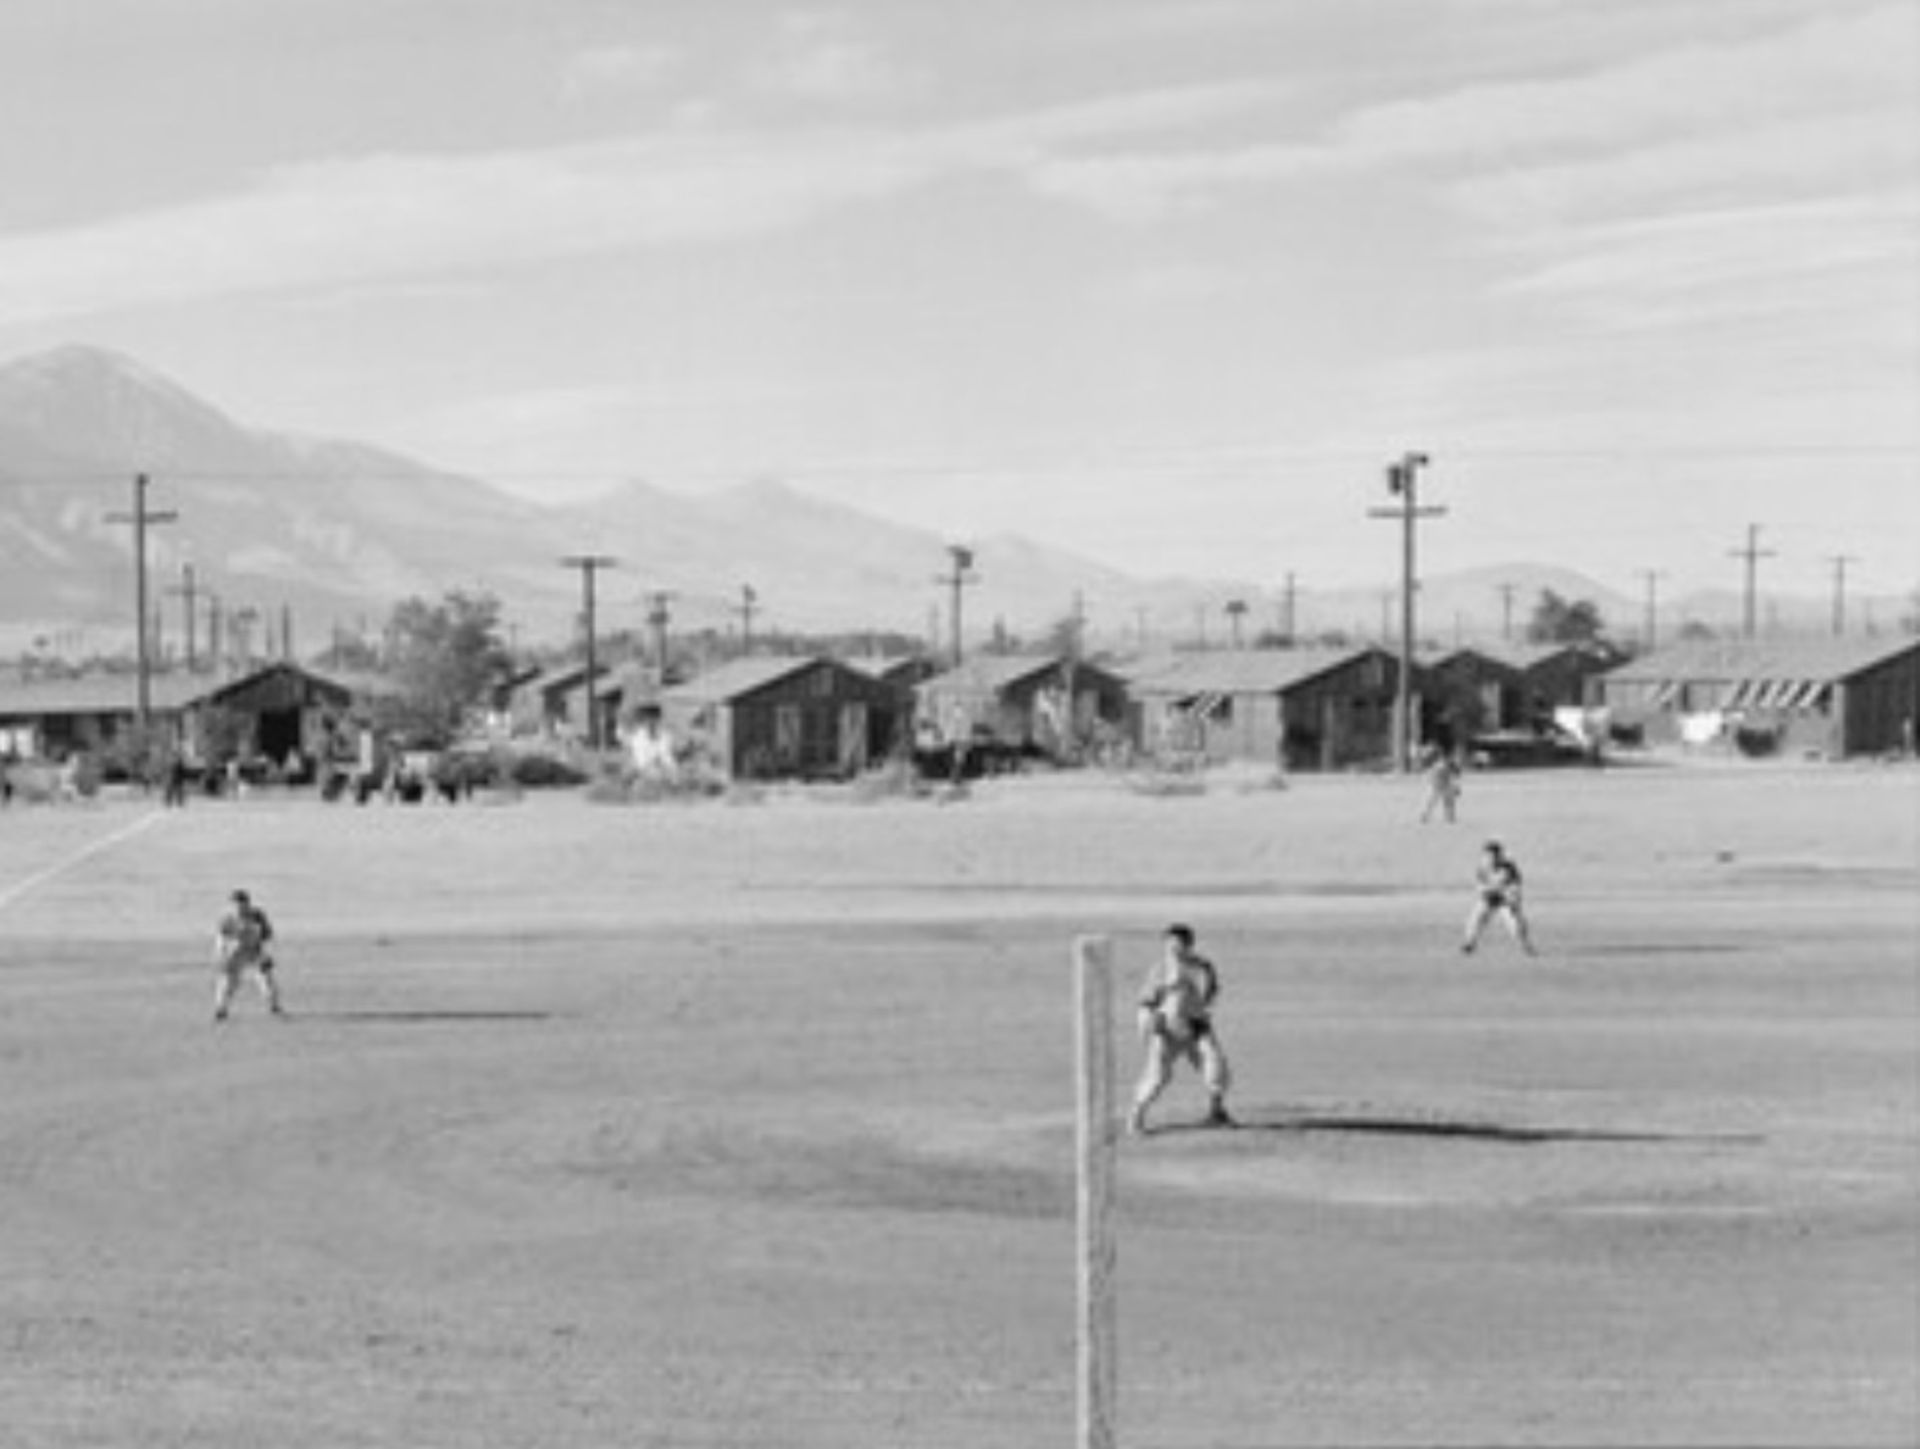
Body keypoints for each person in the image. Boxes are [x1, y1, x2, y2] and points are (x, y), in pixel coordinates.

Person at [1128, 924, 1234, 1135]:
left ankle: (1217, 1111)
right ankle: (1135, 1118)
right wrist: (1147, 1025)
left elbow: (1209, 994)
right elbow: (1146, 1002)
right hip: (1167, 1029)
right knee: (1157, 1077)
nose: (1172, 947)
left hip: (1195, 1027)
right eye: (1168, 943)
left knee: (1215, 1067)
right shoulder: (1160, 969)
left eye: (1177, 943)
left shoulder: (1202, 967)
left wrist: (1198, 1012)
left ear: (1188, 945)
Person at [213, 889, 284, 1021]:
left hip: (255, 950)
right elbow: (221, 938)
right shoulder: (228, 918)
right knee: (229, 982)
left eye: (241, 903)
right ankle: (221, 1009)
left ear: (247, 903)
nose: (238, 907)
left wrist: (266, 954)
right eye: (235, 904)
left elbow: (267, 936)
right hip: (236, 951)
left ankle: (274, 1006)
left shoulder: (257, 916)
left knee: (266, 979)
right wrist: (221, 955)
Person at [1461, 840, 1537, 956]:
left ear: (1499, 855)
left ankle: (1526, 947)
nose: (1489, 859)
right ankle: (1469, 944)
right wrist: (1489, 890)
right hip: (1489, 898)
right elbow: (1480, 888)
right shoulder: (1482, 868)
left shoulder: (1509, 868)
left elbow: (1515, 886)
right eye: (1487, 856)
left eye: (1492, 856)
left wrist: (1512, 898)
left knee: (1516, 925)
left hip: (1505, 900)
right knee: (1476, 919)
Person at [1420, 746, 1462, 823]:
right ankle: (1426, 816)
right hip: (1438, 785)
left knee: (1446, 802)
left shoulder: (1448, 762)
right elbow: (1456, 774)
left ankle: (1449, 818)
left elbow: (1456, 774)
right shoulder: (1435, 763)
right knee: (1432, 802)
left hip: (1443, 784)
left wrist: (1456, 785)